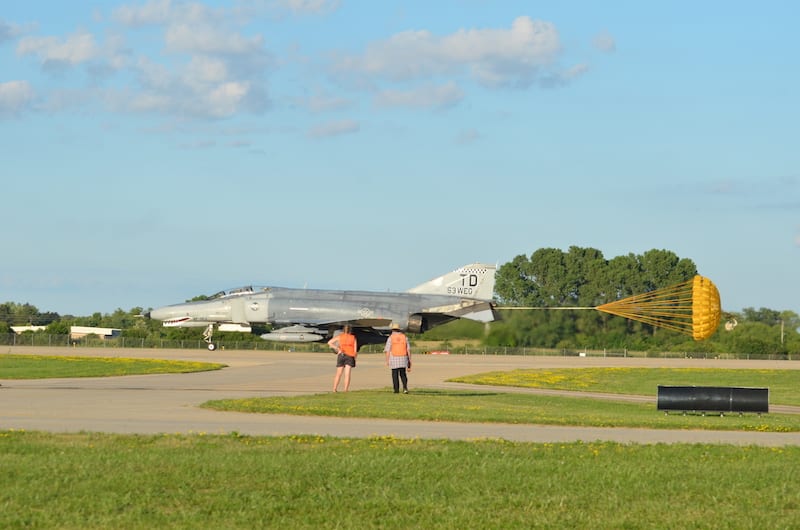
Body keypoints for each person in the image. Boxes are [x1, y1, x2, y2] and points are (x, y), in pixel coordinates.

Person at [328, 325, 357, 392]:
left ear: (343, 330)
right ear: (350, 330)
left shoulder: (340, 337)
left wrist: (337, 348)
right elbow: (355, 350)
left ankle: (334, 388)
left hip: (341, 355)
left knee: (338, 373)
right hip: (350, 356)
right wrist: (354, 358)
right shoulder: (353, 338)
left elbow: (329, 342)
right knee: (347, 374)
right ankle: (345, 389)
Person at [384, 323, 411, 394]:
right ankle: (405, 388)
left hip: (394, 357)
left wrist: (387, 360)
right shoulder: (404, 337)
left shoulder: (390, 338)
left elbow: (388, 350)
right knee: (403, 374)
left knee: (394, 374)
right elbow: (408, 350)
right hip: (403, 357)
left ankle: (396, 390)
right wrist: (409, 360)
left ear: (392, 330)